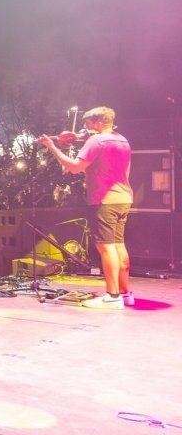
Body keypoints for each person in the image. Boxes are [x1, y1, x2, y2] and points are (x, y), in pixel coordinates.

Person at [38, 106, 134, 308]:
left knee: (106, 248)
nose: (84, 128)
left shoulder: (96, 140)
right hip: (123, 197)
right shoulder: (122, 140)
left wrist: (51, 146)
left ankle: (112, 297)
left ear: (98, 123)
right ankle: (125, 293)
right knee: (118, 246)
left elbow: (74, 167)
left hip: (104, 200)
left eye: (88, 124)